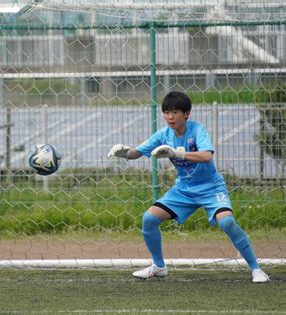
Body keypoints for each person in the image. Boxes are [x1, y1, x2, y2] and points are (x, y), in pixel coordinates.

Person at [107, 91, 270, 283]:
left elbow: (207, 156)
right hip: (183, 190)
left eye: (175, 112)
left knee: (227, 222)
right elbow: (137, 153)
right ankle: (159, 267)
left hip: (211, 188)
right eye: (166, 112)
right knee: (149, 219)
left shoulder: (196, 130)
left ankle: (256, 269)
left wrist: (177, 153)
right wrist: (124, 153)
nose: (170, 117)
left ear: (186, 114)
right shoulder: (163, 134)